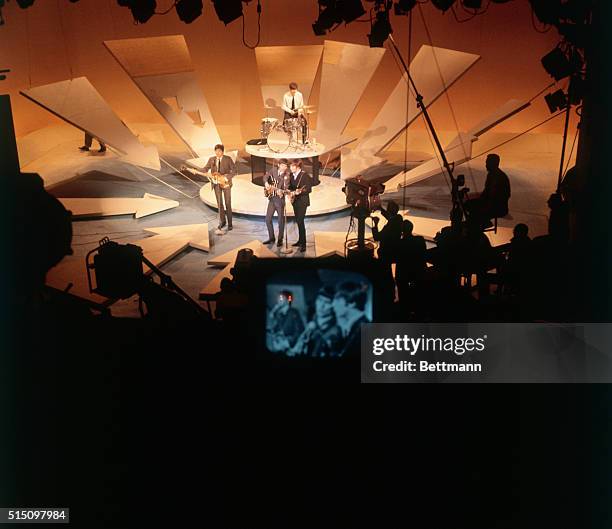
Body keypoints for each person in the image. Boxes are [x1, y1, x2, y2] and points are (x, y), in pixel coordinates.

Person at [288, 285, 343, 358]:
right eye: (319, 300)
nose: (321, 306)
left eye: (327, 302)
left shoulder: (336, 331)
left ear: (334, 305)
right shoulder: (313, 320)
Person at [466, 153, 511, 225]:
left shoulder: (497, 176)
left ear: (493, 164)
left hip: (497, 207)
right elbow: (487, 192)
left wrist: (481, 202)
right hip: (494, 205)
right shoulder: (493, 175)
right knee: (469, 204)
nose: (486, 165)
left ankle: (478, 223)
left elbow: (492, 195)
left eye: (487, 163)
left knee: (471, 206)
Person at [201, 144, 236, 231]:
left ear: (222, 152)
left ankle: (230, 223)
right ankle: (222, 222)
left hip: (226, 184)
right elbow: (205, 169)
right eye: (216, 151)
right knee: (219, 204)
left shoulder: (228, 159)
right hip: (216, 184)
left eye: (219, 151)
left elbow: (235, 171)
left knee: (228, 203)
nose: (217, 152)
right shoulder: (212, 159)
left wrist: (226, 178)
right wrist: (195, 170)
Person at [332, 281, 370, 357]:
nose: (332, 304)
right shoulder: (353, 327)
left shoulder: (365, 331)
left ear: (351, 303)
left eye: (337, 300)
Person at [395, 219, 427, 306]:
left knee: (402, 289)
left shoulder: (400, 243)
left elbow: (396, 257)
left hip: (404, 274)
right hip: (418, 272)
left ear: (402, 230)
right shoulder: (420, 240)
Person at [263, 159, 291, 246]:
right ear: (279, 165)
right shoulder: (273, 170)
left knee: (280, 221)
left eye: (286, 166)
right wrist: (266, 183)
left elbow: (286, 188)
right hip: (272, 199)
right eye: (283, 165)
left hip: (280, 200)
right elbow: (265, 177)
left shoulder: (287, 175)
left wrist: (282, 191)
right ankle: (271, 238)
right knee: (268, 219)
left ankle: (280, 239)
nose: (284, 168)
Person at [288, 159, 313, 252]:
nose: (290, 168)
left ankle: (304, 244)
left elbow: (309, 189)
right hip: (295, 201)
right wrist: (290, 192)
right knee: (298, 222)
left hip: (302, 202)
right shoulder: (292, 175)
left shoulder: (304, 175)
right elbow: (290, 187)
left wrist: (300, 192)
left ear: (297, 167)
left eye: (291, 166)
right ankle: (300, 241)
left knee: (300, 221)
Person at [371, 200, 402, 267]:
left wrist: (375, 224)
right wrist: (380, 209)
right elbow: (391, 216)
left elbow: (376, 237)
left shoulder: (388, 228)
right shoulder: (399, 219)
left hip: (385, 254)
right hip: (394, 252)